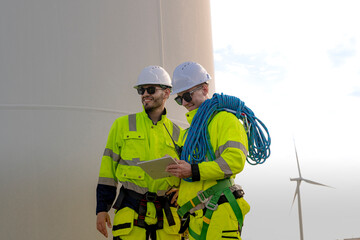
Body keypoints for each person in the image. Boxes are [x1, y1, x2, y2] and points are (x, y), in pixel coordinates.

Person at [166, 61, 251, 240]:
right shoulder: (187, 134)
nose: (184, 103)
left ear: (205, 89)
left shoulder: (226, 121)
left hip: (218, 215)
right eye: (179, 98)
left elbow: (234, 161)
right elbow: (191, 171)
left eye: (187, 96)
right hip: (194, 219)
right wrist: (181, 185)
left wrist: (192, 170)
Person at [96, 65, 182, 240]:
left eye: (150, 89)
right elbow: (108, 170)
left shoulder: (179, 133)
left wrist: (184, 189)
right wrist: (102, 208)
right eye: (141, 90)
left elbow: (186, 172)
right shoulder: (121, 125)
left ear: (166, 93)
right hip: (132, 208)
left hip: (166, 215)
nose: (145, 94)